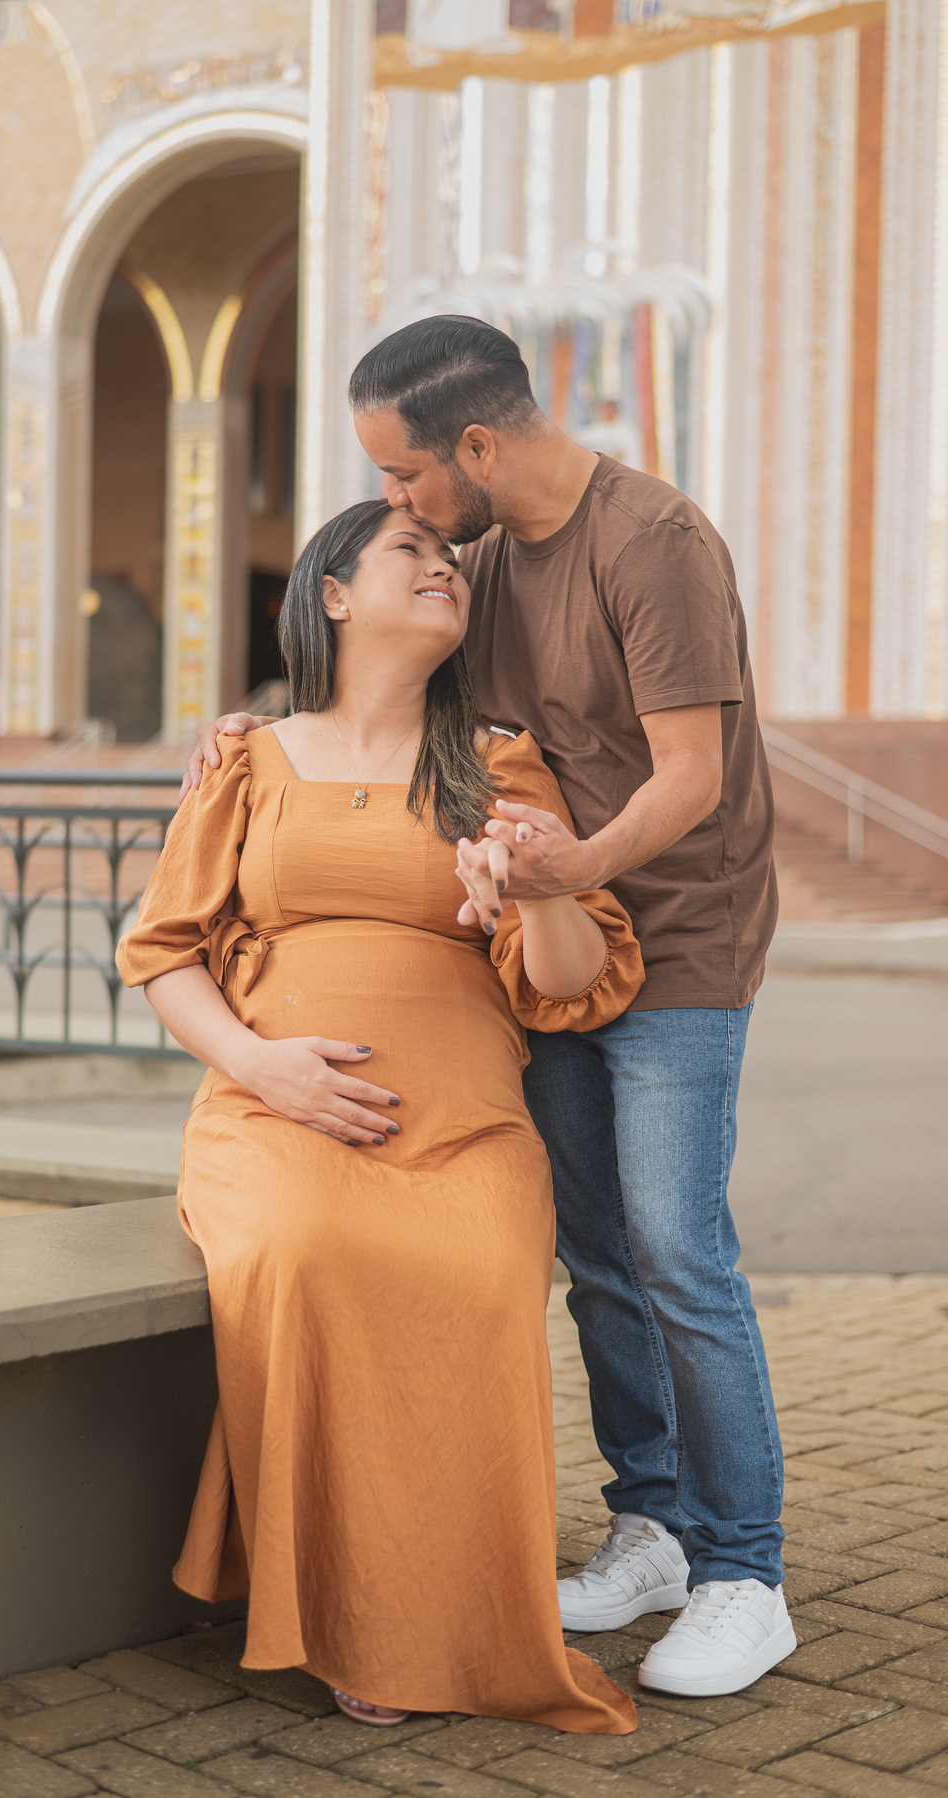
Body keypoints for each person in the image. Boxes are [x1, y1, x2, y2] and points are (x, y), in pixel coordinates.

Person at [187, 316, 795, 1700]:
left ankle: (744, 1569)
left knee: (679, 1246)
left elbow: (691, 775)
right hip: (560, 923)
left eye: (402, 478)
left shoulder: (657, 544)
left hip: (679, 939)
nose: (398, 508)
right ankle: (650, 1519)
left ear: (474, 446)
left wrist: (570, 867)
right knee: (597, 1246)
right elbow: (368, 679)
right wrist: (241, 724)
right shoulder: (483, 561)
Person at [119, 499, 644, 1733]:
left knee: (477, 1276)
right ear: (335, 595)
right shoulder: (246, 760)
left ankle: (440, 1609)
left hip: (464, 1125)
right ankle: (353, 1613)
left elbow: (571, 981)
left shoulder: (498, 765)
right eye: (411, 552)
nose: (444, 568)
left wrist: (532, 880)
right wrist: (262, 1067)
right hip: (277, 1112)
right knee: (299, 1251)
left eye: (453, 559)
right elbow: (161, 954)